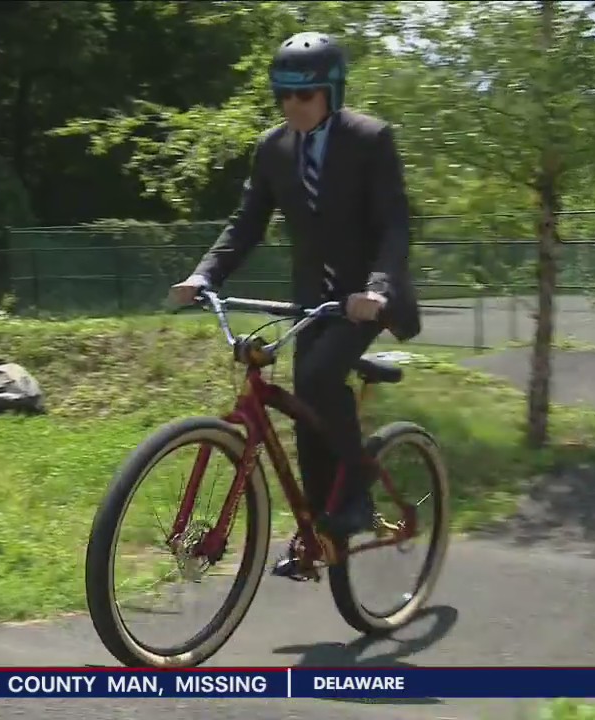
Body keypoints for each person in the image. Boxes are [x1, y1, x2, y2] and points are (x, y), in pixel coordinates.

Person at [167, 31, 422, 579]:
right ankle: (315, 534)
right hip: (312, 299)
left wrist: (376, 289)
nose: (292, 106)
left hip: (367, 295)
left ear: (331, 92)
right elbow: (246, 225)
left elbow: (395, 225)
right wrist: (202, 274)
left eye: (303, 96)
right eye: (283, 95)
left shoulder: (370, 138)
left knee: (320, 376)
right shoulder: (272, 149)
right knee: (304, 402)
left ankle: (353, 498)